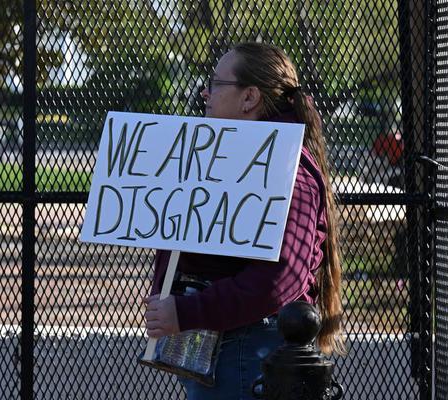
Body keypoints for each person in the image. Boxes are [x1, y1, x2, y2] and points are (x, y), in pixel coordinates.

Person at [143, 42, 345, 400]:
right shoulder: (230, 157)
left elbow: (278, 278)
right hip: (222, 346)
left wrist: (187, 311)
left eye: (216, 83)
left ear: (249, 97)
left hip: (246, 350)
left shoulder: (286, 170)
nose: (205, 92)